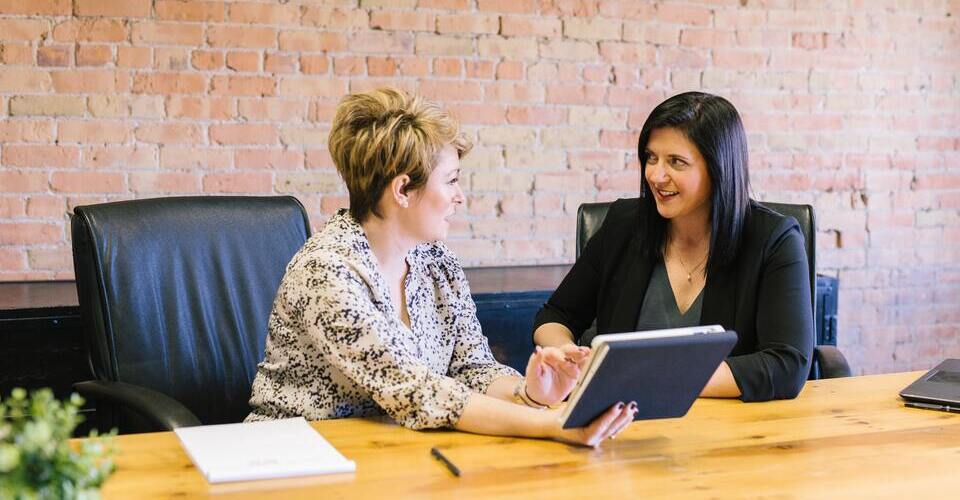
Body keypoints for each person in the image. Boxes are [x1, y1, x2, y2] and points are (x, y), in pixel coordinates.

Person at [246, 88, 634, 446]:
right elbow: (417, 391)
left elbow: (473, 368)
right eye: (451, 181)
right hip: (293, 457)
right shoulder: (327, 271)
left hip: (394, 452)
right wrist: (554, 424)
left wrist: (530, 393)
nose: (460, 196)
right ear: (402, 190)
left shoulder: (436, 262)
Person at [533, 92, 815, 402]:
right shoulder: (624, 225)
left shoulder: (774, 240)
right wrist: (564, 353)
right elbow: (555, 315)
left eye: (676, 162)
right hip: (621, 423)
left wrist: (649, 377)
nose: (655, 175)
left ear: (719, 168)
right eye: (651, 158)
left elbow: (787, 364)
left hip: (729, 428)